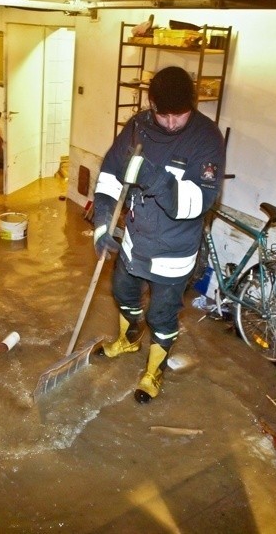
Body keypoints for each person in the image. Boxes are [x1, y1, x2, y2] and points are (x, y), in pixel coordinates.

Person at [92, 66, 225, 403]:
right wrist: (103, 221)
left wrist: (157, 180)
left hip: (174, 251)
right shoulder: (138, 125)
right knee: (122, 291)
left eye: (177, 115)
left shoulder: (206, 139)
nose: (168, 122)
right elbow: (110, 172)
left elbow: (202, 200)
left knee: (161, 315)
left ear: (191, 106)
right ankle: (129, 339)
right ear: (150, 102)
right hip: (136, 239)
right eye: (161, 113)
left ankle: (154, 372)